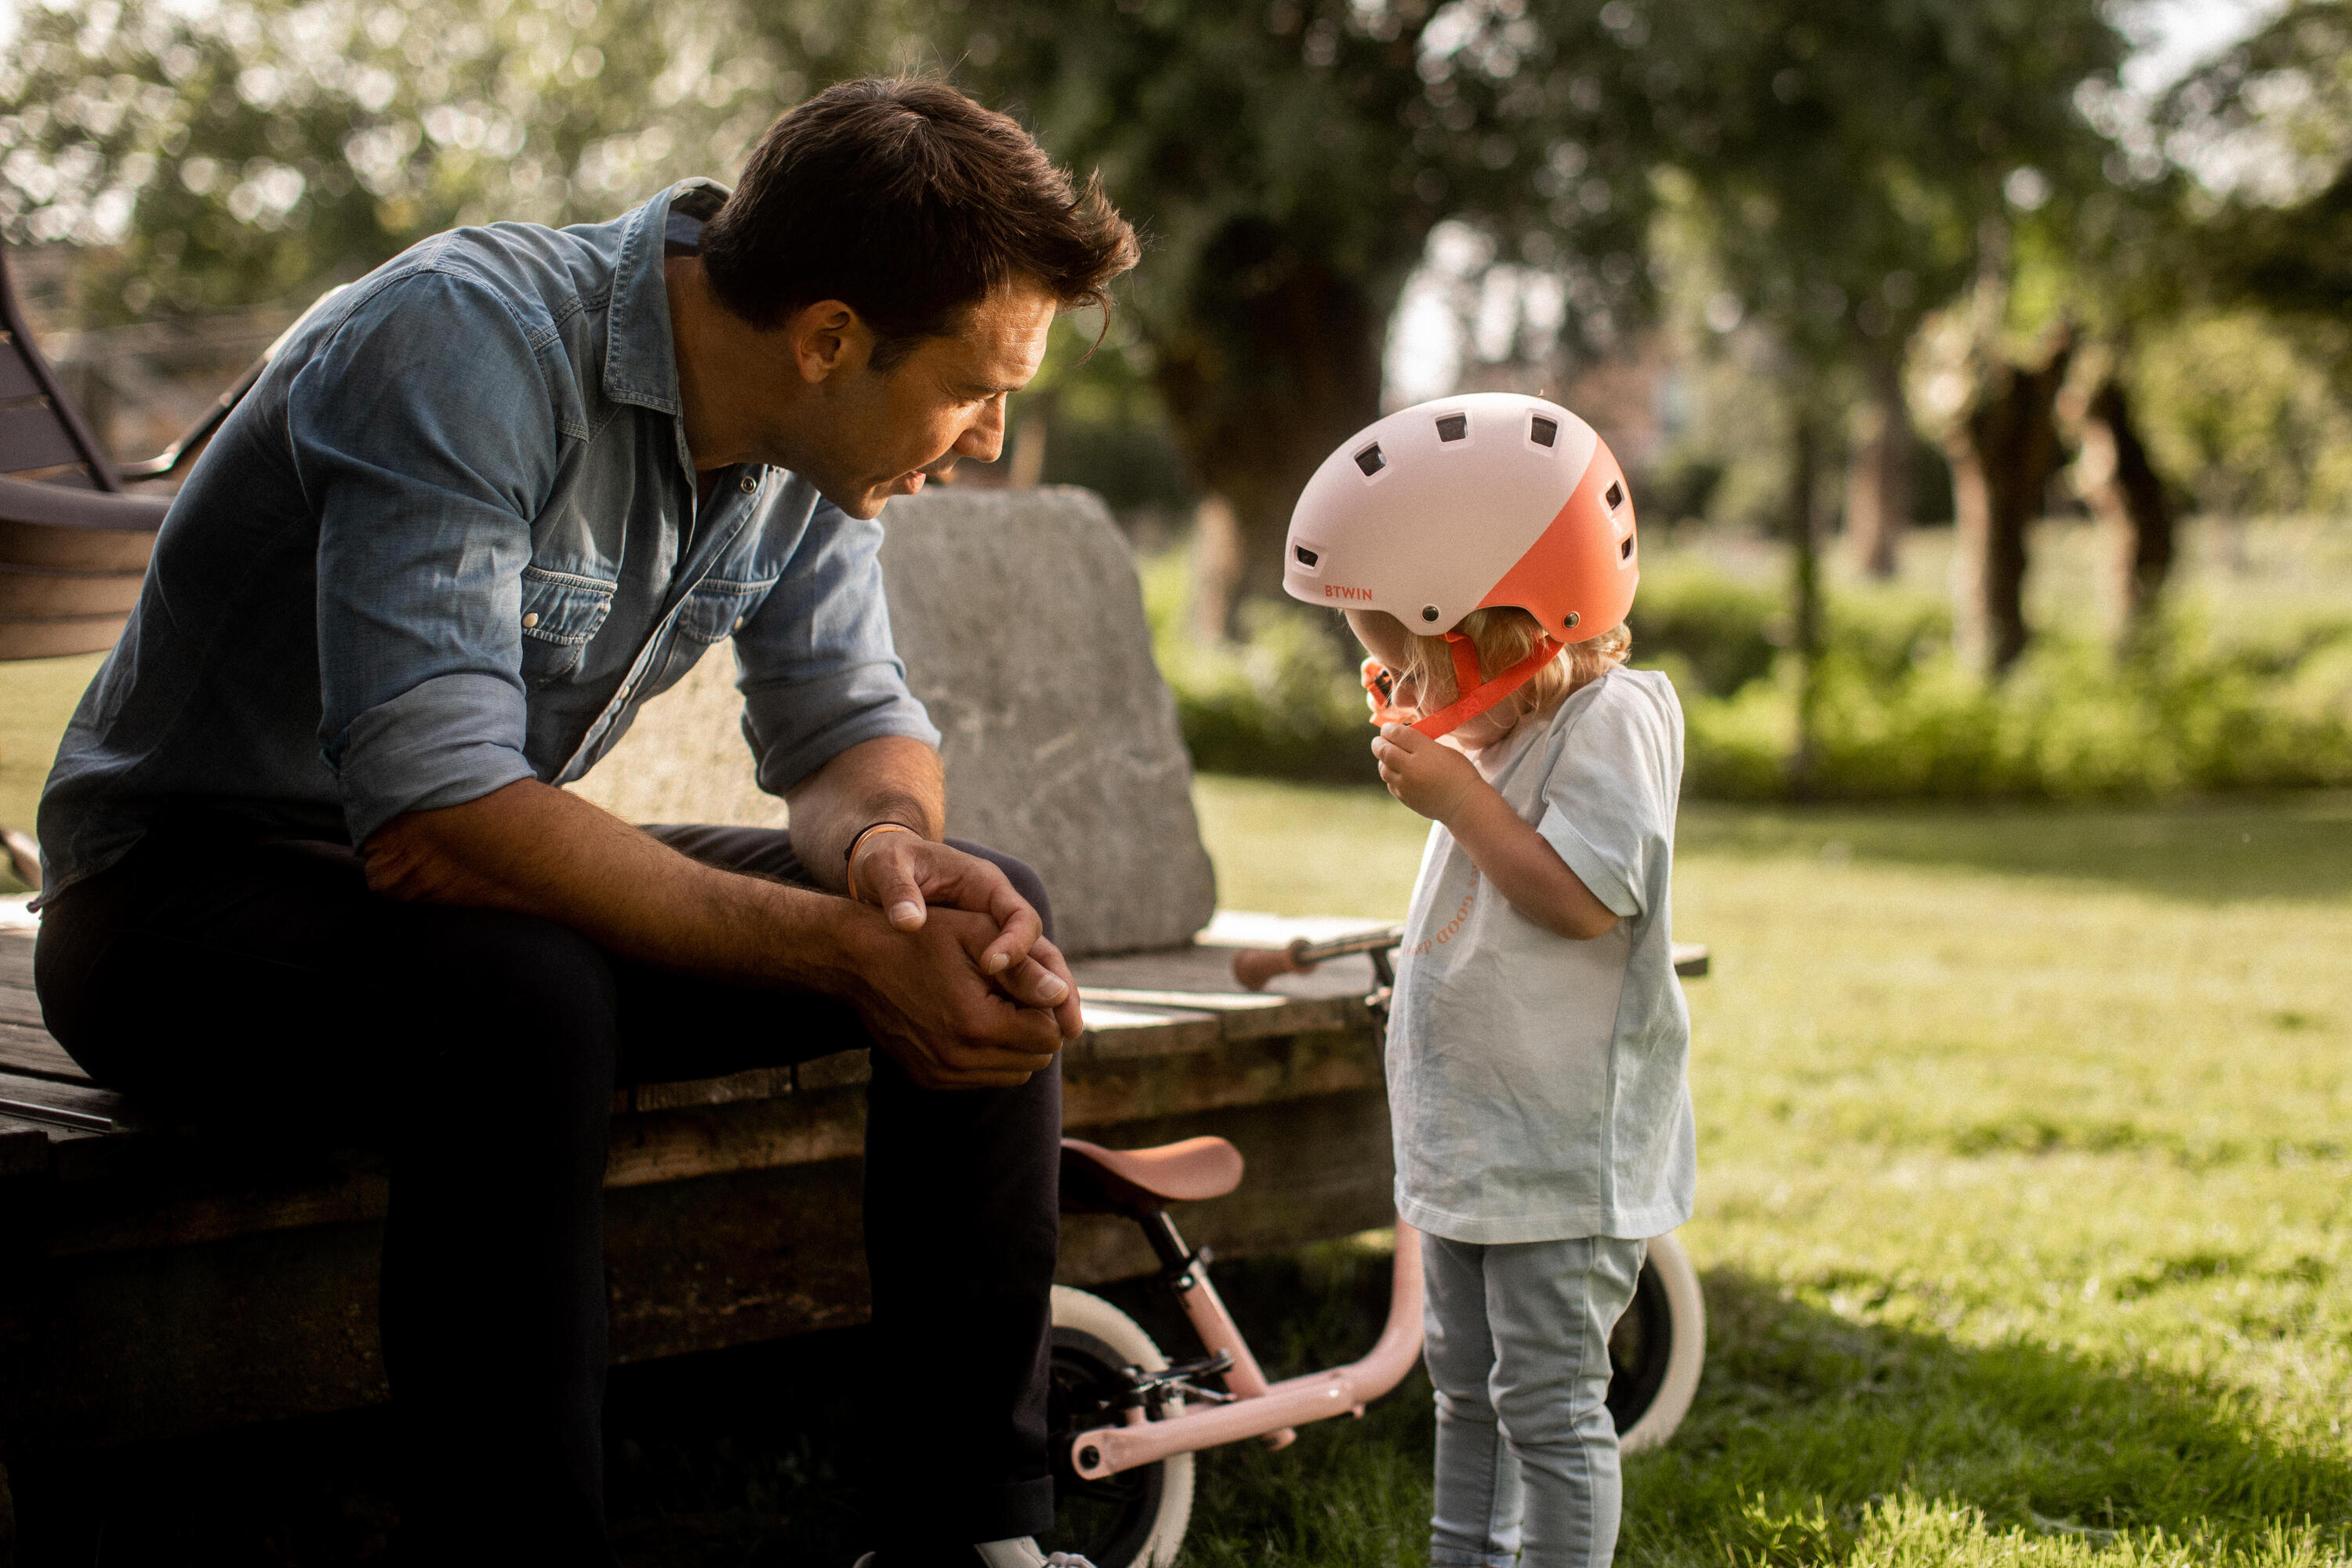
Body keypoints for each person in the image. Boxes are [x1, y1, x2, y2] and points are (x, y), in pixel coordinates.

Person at [32, 78, 1138, 1567]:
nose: (991, 438)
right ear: (829, 338)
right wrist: (836, 953)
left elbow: (842, 728)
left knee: (970, 920)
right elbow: (438, 820)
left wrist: (885, 860)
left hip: (455, 900)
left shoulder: (811, 445)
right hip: (173, 906)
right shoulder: (460, 342)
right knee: (527, 999)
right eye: (975, 387)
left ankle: (971, 1537)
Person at [1281, 394, 1695, 1568]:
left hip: (1563, 1154)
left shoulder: (1615, 719)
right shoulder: (1493, 737)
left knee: (1552, 1410)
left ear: (1506, 626)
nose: (1398, 692)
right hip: (1472, 1143)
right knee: (1465, 1394)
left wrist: (1457, 799)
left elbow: (1579, 898)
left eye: (1406, 658)